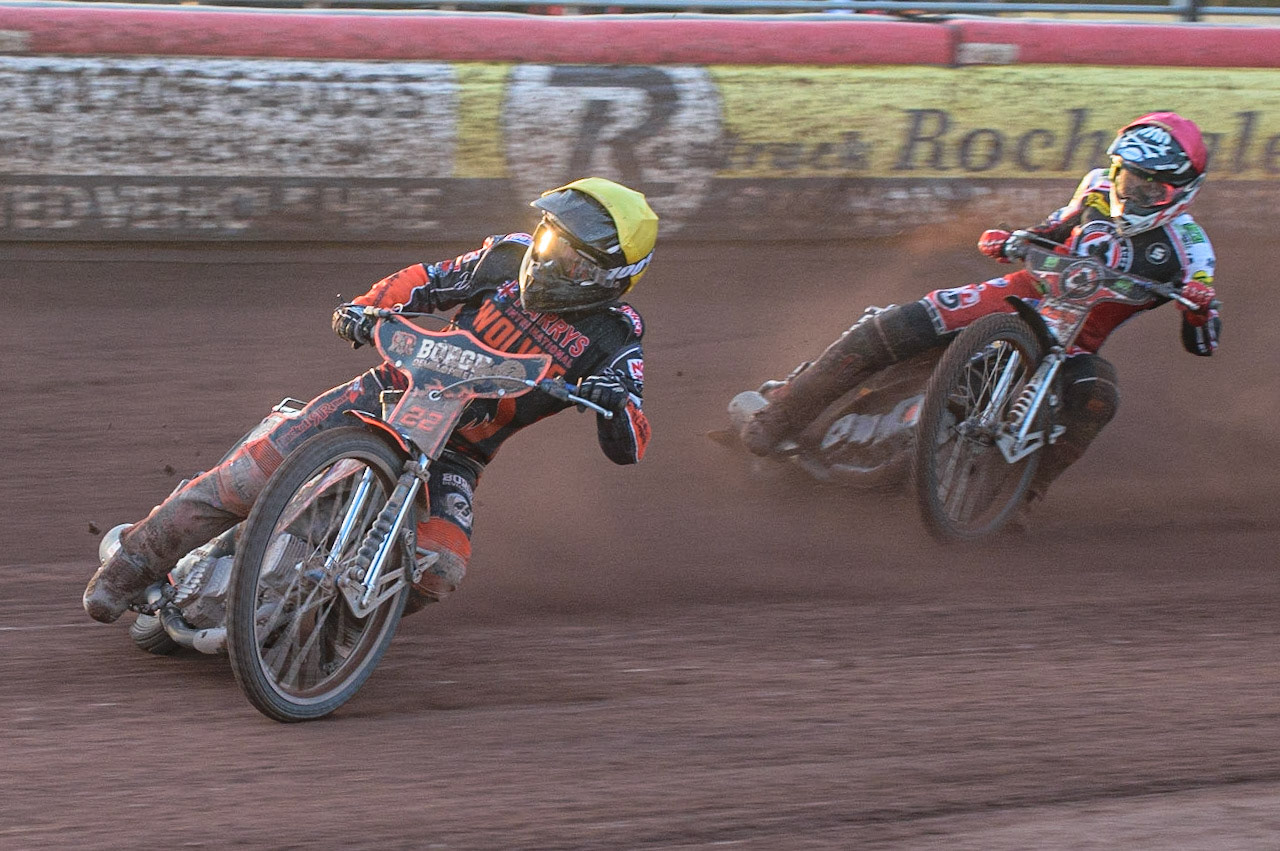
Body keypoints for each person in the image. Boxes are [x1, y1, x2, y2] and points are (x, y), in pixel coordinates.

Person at [84, 177, 658, 623]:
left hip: (455, 456)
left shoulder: (615, 333)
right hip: (381, 396)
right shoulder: (506, 256)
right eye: (551, 239)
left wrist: (612, 400)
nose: (551, 259)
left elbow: (632, 435)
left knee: (441, 568)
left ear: (612, 276)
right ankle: (132, 564)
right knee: (244, 481)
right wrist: (366, 307)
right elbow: (424, 279)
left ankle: (335, 630)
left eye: (574, 258)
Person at [739, 112, 1220, 513]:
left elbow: (1205, 342)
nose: (1132, 194)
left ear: (1184, 192)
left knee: (1099, 396)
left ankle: (1022, 502)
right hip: (1020, 291)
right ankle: (781, 415)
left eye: (1150, 191)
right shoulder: (1095, 187)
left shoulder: (1192, 249)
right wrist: (1011, 238)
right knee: (902, 321)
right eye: (1127, 178)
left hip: (1076, 343)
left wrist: (1199, 311)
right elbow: (1053, 229)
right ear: (1113, 170)